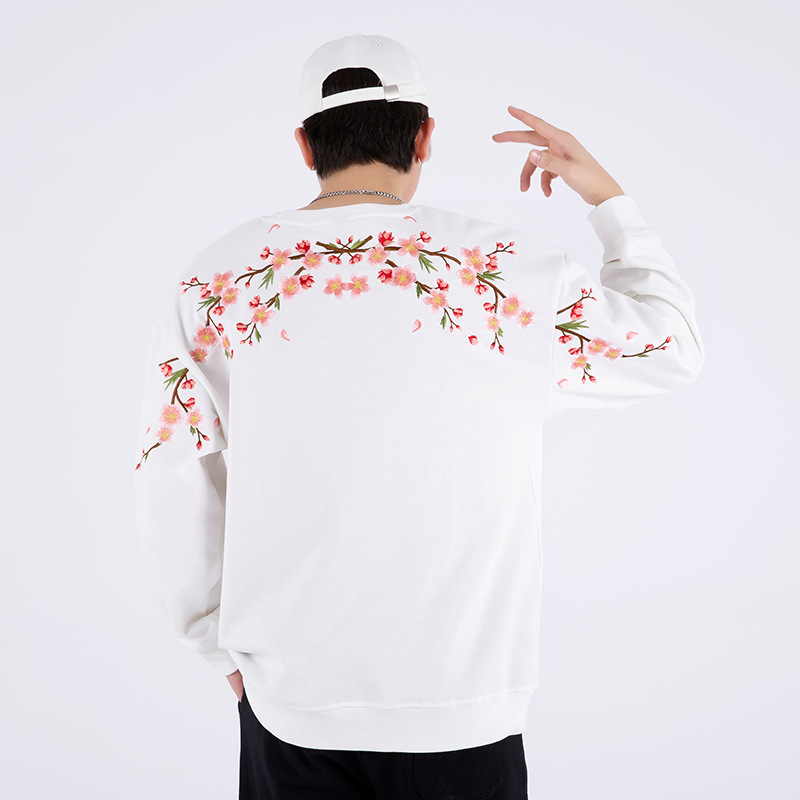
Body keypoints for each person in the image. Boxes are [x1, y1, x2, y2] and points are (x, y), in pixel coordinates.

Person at [133, 33, 703, 800]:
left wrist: (211, 640)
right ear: (425, 135)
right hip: (466, 704)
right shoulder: (509, 275)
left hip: (289, 700)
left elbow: (171, 469)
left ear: (305, 145)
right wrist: (610, 202)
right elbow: (671, 347)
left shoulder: (216, 280)